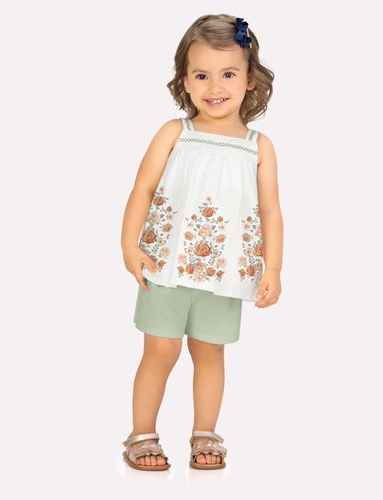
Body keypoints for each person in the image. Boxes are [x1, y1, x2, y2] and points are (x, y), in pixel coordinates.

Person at [120, 14, 283, 471]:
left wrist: (272, 268)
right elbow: (142, 189)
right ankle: (141, 434)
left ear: (250, 79)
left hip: (225, 272)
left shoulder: (259, 146)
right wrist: (129, 245)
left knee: (210, 352)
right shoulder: (175, 133)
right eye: (202, 75)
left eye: (228, 74)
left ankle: (205, 433)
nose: (215, 86)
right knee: (160, 351)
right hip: (165, 265)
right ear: (185, 81)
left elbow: (271, 211)